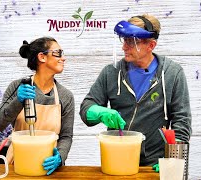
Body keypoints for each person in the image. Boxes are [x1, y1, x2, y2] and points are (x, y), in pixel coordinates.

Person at [79, 14, 192, 170]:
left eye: (132, 42)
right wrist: (99, 112)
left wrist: (173, 160)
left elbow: (182, 120)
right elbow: (86, 107)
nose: (124, 47)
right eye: (124, 40)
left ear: (151, 45)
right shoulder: (111, 72)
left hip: (154, 164)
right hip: (116, 160)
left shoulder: (173, 73)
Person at [0, 37, 75, 175]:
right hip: (17, 165)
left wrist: (60, 157)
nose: (63, 58)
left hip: (48, 167)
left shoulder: (65, 96)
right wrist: (18, 101)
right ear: (42, 57)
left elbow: (66, 136)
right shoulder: (18, 87)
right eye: (58, 53)